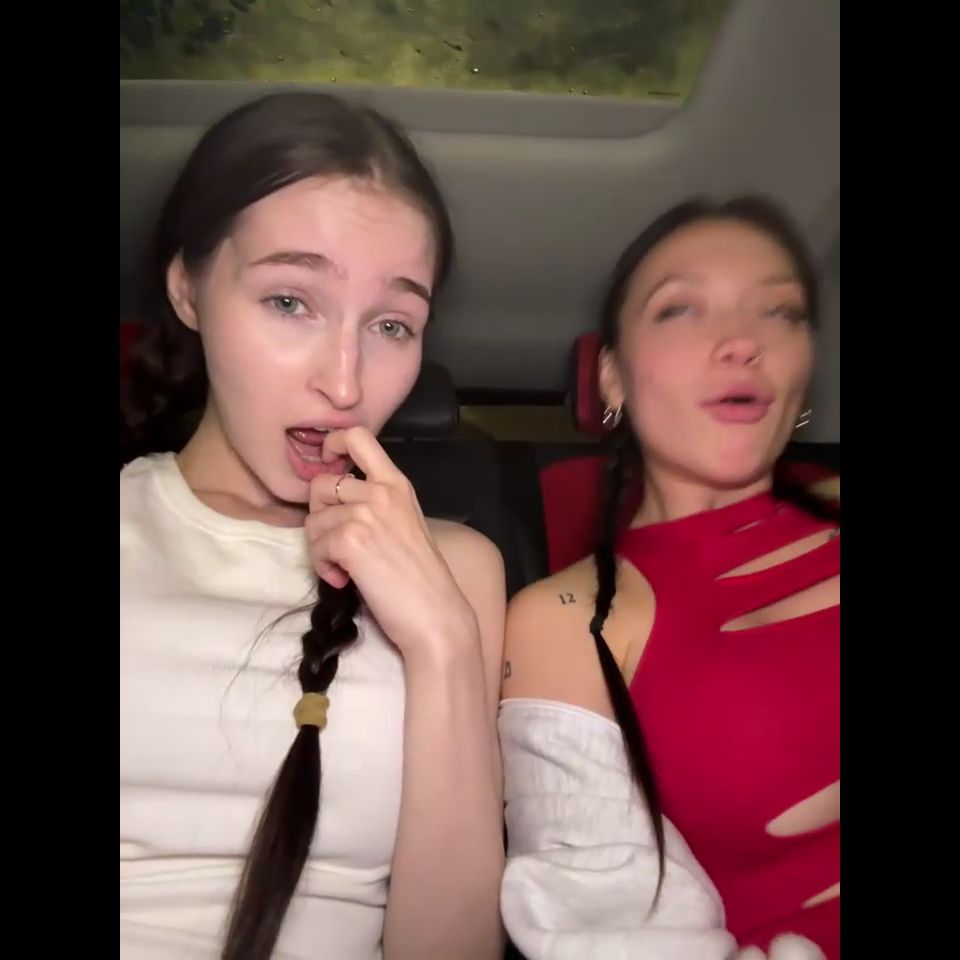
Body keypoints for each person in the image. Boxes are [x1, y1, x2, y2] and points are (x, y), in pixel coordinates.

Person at [120, 92, 506, 960]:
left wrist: (443, 641)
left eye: (393, 324)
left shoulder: (459, 569)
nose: (344, 382)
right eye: (291, 301)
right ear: (188, 288)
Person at [500, 197, 839, 959]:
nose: (744, 342)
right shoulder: (569, 620)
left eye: (781, 312)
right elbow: (607, 931)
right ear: (611, 378)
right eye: (681, 309)